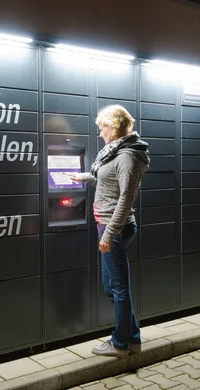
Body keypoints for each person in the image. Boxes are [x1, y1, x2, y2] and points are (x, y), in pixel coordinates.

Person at [66, 104, 150, 358]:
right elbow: (106, 179)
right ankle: (132, 339)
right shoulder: (116, 152)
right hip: (109, 226)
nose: (100, 132)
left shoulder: (128, 156)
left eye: (102, 127)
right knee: (111, 286)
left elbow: (126, 197)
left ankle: (120, 344)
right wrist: (81, 177)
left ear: (113, 128)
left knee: (118, 287)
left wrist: (109, 233)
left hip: (115, 227)